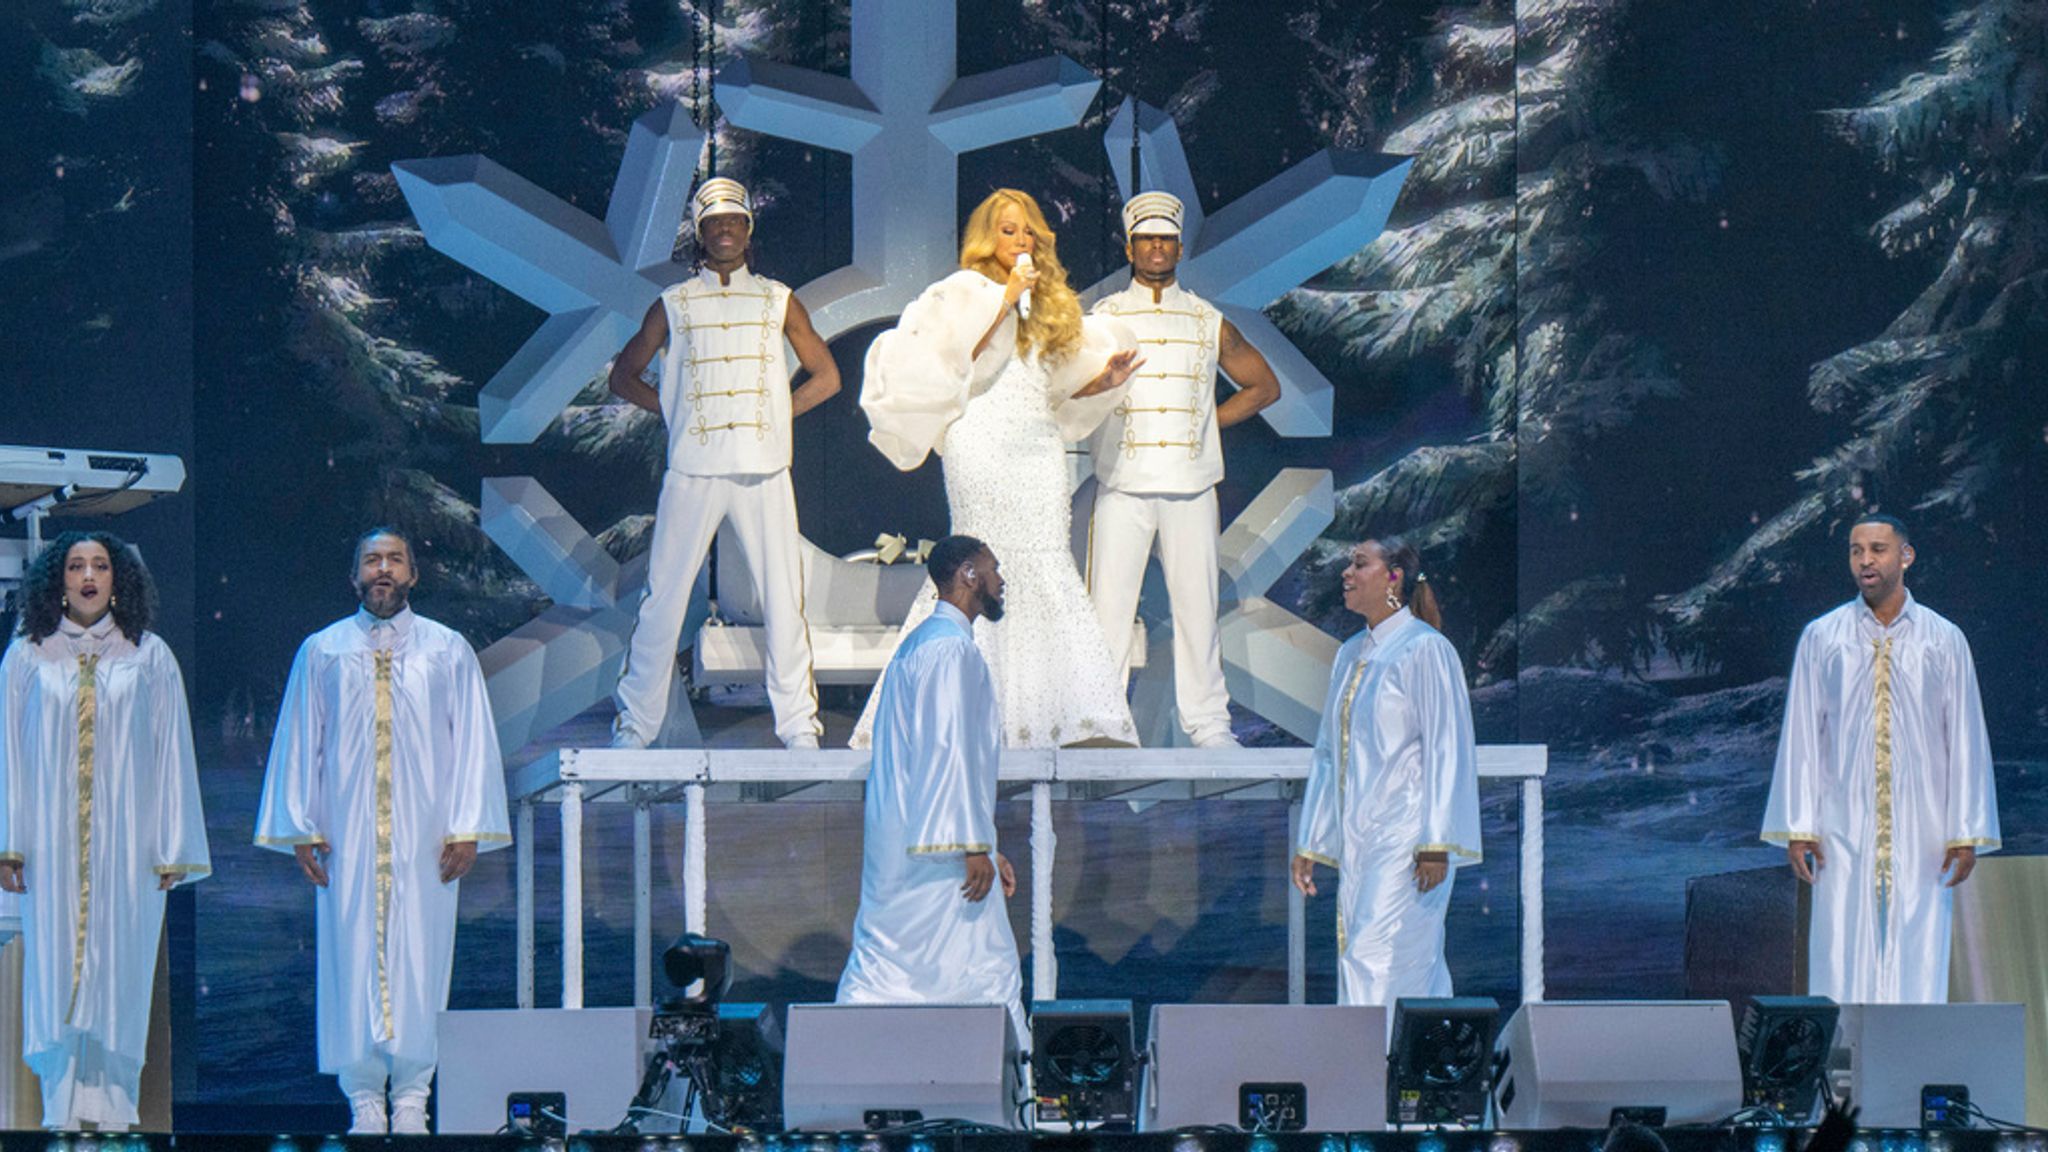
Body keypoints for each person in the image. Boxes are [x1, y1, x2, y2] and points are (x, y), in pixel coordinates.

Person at [855, 188, 1143, 748]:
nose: (1020, 240)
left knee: (1043, 558)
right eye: (1009, 230)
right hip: (978, 438)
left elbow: (1056, 387)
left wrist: (1100, 382)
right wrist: (1004, 300)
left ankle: (1039, 716)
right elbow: (946, 362)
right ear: (989, 236)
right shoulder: (962, 293)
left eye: (1028, 231)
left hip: (1036, 445)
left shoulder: (1049, 302)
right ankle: (962, 711)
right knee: (982, 556)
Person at [256, 527, 512, 1134]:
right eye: (372, 560)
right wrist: (302, 825)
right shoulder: (322, 650)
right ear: (354, 577)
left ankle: (414, 1097)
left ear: (412, 574)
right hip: (346, 836)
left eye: (395, 559)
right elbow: (302, 741)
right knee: (350, 955)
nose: (383, 569)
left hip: (427, 838)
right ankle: (365, 1098)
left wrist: (468, 824)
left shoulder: (447, 650)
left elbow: (473, 739)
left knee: (423, 956)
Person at [607, 176, 840, 750]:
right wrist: (674, 411)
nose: (725, 230)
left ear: (748, 229)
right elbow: (622, 375)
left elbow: (828, 377)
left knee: (785, 598)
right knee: (664, 597)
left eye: (735, 220)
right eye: (714, 223)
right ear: (702, 234)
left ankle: (798, 726)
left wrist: (780, 414)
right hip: (694, 468)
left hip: (764, 467)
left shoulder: (778, 298)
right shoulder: (675, 302)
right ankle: (635, 725)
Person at [0, 532, 209, 1132]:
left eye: (100, 565)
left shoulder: (149, 655)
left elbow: (172, 752)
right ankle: (59, 1102)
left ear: (119, 579)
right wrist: (8, 840)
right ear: (57, 580)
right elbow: (8, 751)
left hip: (129, 847)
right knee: (55, 965)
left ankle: (115, 1108)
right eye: (75, 565)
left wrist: (173, 844)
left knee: (121, 965)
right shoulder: (28, 654)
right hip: (49, 844)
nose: (88, 575)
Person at [1764, 513, 1999, 1003]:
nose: (1865, 561)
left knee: (1920, 947)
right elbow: (1804, 734)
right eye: (1856, 550)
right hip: (1841, 826)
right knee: (1839, 952)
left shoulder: (1943, 639)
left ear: (1905, 556)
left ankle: (1911, 1071)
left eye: (1877, 549)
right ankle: (1842, 1073)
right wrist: (1800, 825)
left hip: (1925, 828)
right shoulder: (1823, 637)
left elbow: (1966, 737)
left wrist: (1965, 831)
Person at [1086, 191, 1281, 748]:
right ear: (1130, 246)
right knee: (1110, 609)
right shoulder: (1103, 319)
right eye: (1146, 238)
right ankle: (1104, 721)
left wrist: (1205, 422)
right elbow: (1072, 394)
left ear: (1176, 248)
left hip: (1191, 483)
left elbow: (1264, 386)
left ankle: (1209, 725)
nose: (1156, 248)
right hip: (1123, 480)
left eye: (1165, 239)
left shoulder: (1204, 318)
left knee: (1197, 608)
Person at [837, 535, 1024, 1044]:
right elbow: (947, 751)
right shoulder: (947, 650)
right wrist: (970, 846)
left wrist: (986, 843)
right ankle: (1010, 1104)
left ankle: (849, 1067)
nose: (1001, 580)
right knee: (986, 973)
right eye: (993, 568)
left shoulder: (924, 645)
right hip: (937, 853)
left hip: (915, 841)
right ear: (967, 575)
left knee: (890, 971)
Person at [1291, 537, 1480, 1007]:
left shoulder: (1425, 649)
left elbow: (1446, 747)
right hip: (1363, 840)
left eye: (1360, 564)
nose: (1346, 574)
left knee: (1380, 957)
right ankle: (1394, 1069)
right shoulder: (1350, 653)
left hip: (1408, 838)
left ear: (1393, 576)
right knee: (1367, 953)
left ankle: (1379, 1068)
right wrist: (1312, 840)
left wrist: (1436, 842)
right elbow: (1328, 754)